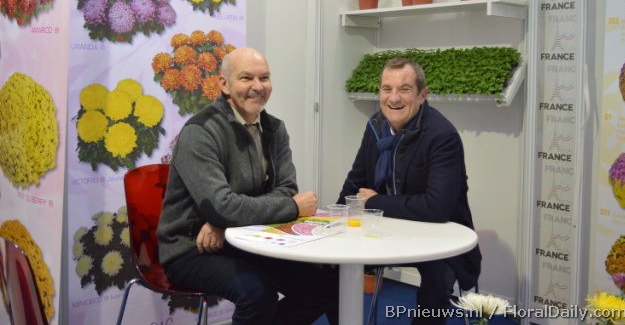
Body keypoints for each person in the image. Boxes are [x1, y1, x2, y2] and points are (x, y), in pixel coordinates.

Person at [157, 47, 338, 325]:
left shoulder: (275, 129)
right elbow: (222, 206)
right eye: (246, 78)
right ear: (224, 85)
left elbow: (284, 189)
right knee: (257, 293)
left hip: (245, 237)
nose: (258, 86)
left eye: (264, 78)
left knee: (324, 283)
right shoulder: (200, 132)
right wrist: (292, 208)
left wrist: (227, 223)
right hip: (191, 247)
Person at [338, 57, 482, 325]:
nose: (394, 98)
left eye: (404, 89)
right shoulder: (375, 126)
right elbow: (355, 182)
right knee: (330, 269)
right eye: (386, 89)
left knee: (437, 283)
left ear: (422, 95)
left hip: (440, 238)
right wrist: (333, 220)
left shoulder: (442, 136)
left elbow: (436, 208)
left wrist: (375, 201)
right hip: (386, 230)